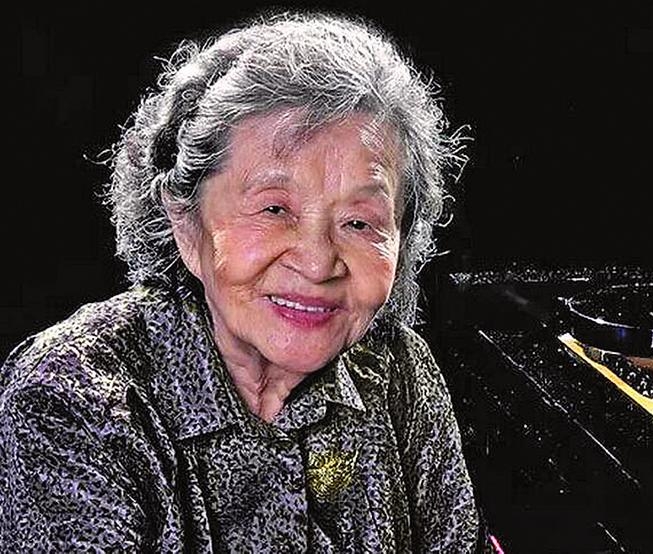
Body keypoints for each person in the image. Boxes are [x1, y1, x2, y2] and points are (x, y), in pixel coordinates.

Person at [0, 10, 495, 553]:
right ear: (184, 221)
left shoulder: (397, 367)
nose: (318, 264)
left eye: (359, 223)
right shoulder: (72, 398)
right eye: (274, 209)